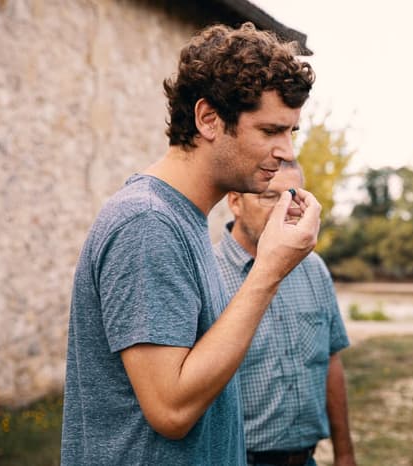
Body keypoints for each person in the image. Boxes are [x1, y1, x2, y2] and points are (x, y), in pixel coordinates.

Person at [61, 23, 320, 465]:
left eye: (290, 132)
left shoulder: (184, 217)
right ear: (208, 119)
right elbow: (171, 409)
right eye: (270, 130)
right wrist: (269, 271)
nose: (287, 151)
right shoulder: (147, 222)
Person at [215, 162, 356, 466]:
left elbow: (331, 360)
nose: (283, 210)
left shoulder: (314, 268)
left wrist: (345, 454)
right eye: (269, 197)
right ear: (235, 202)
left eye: (292, 197)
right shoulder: (208, 274)